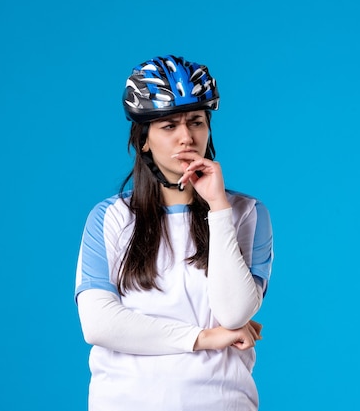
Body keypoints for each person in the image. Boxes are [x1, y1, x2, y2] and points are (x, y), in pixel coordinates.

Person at [74, 54, 274, 411]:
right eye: (169, 126)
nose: (187, 137)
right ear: (144, 140)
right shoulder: (110, 218)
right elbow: (100, 324)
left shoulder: (247, 213)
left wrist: (217, 208)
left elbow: (233, 313)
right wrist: (203, 337)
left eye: (196, 122)